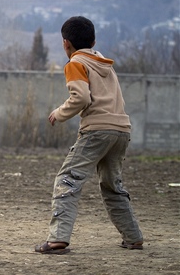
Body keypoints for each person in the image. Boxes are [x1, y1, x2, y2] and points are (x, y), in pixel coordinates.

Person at [34, 16, 143, 254]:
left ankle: (58, 239)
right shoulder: (105, 64)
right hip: (121, 130)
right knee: (113, 185)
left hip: (97, 131)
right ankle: (133, 237)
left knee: (68, 179)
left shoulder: (75, 63)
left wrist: (59, 113)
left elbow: (81, 98)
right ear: (93, 40)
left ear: (65, 44)